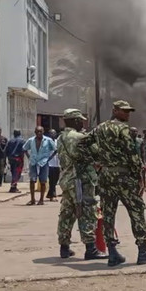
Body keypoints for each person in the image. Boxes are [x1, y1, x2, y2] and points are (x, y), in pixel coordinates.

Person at [78, 100, 146, 267]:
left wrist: (96, 160)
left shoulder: (99, 128)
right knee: (136, 211)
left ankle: (112, 253)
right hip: (124, 177)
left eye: (128, 111)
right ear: (115, 111)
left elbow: (82, 144)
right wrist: (139, 177)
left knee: (108, 214)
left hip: (106, 176)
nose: (127, 114)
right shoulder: (124, 129)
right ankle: (142, 252)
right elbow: (133, 155)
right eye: (124, 111)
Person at [56, 109, 107, 260]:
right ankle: (90, 249)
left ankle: (64, 247)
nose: (82, 123)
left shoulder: (61, 138)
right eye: (80, 120)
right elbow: (98, 154)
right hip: (80, 181)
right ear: (76, 121)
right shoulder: (81, 137)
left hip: (66, 180)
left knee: (67, 213)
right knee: (87, 212)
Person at [23, 126, 56, 206]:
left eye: (40, 131)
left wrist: (49, 159)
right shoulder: (31, 140)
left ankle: (41, 199)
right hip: (33, 162)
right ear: (35, 132)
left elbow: (55, 150)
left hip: (43, 162)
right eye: (37, 131)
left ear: (43, 131)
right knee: (32, 180)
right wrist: (29, 157)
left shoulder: (48, 140)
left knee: (43, 181)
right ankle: (32, 199)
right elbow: (24, 148)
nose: (39, 133)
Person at [46, 129, 61, 200]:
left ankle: (50, 193)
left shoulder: (57, 142)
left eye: (54, 133)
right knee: (51, 180)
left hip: (57, 163)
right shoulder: (46, 142)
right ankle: (52, 194)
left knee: (56, 179)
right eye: (51, 133)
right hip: (50, 164)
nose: (53, 134)